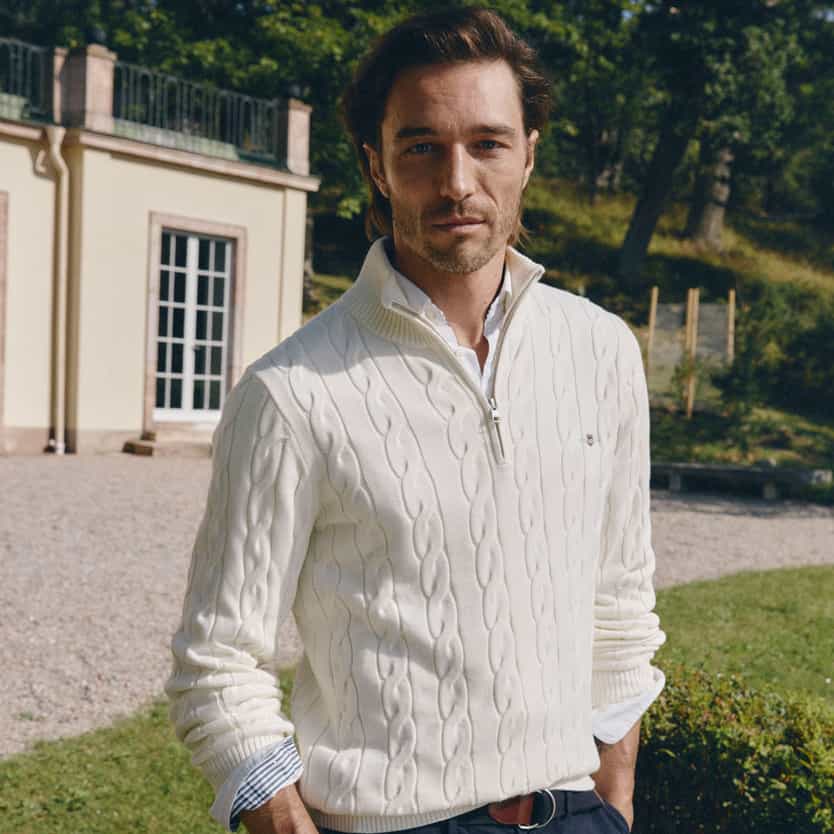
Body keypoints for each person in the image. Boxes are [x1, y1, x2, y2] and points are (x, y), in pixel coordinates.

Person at [166, 8, 666, 834]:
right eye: (422, 146)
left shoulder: (602, 350)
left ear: (530, 152)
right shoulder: (291, 391)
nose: (457, 181)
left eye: (488, 143)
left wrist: (613, 797)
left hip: (573, 810)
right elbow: (217, 661)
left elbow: (619, 600)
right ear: (377, 163)